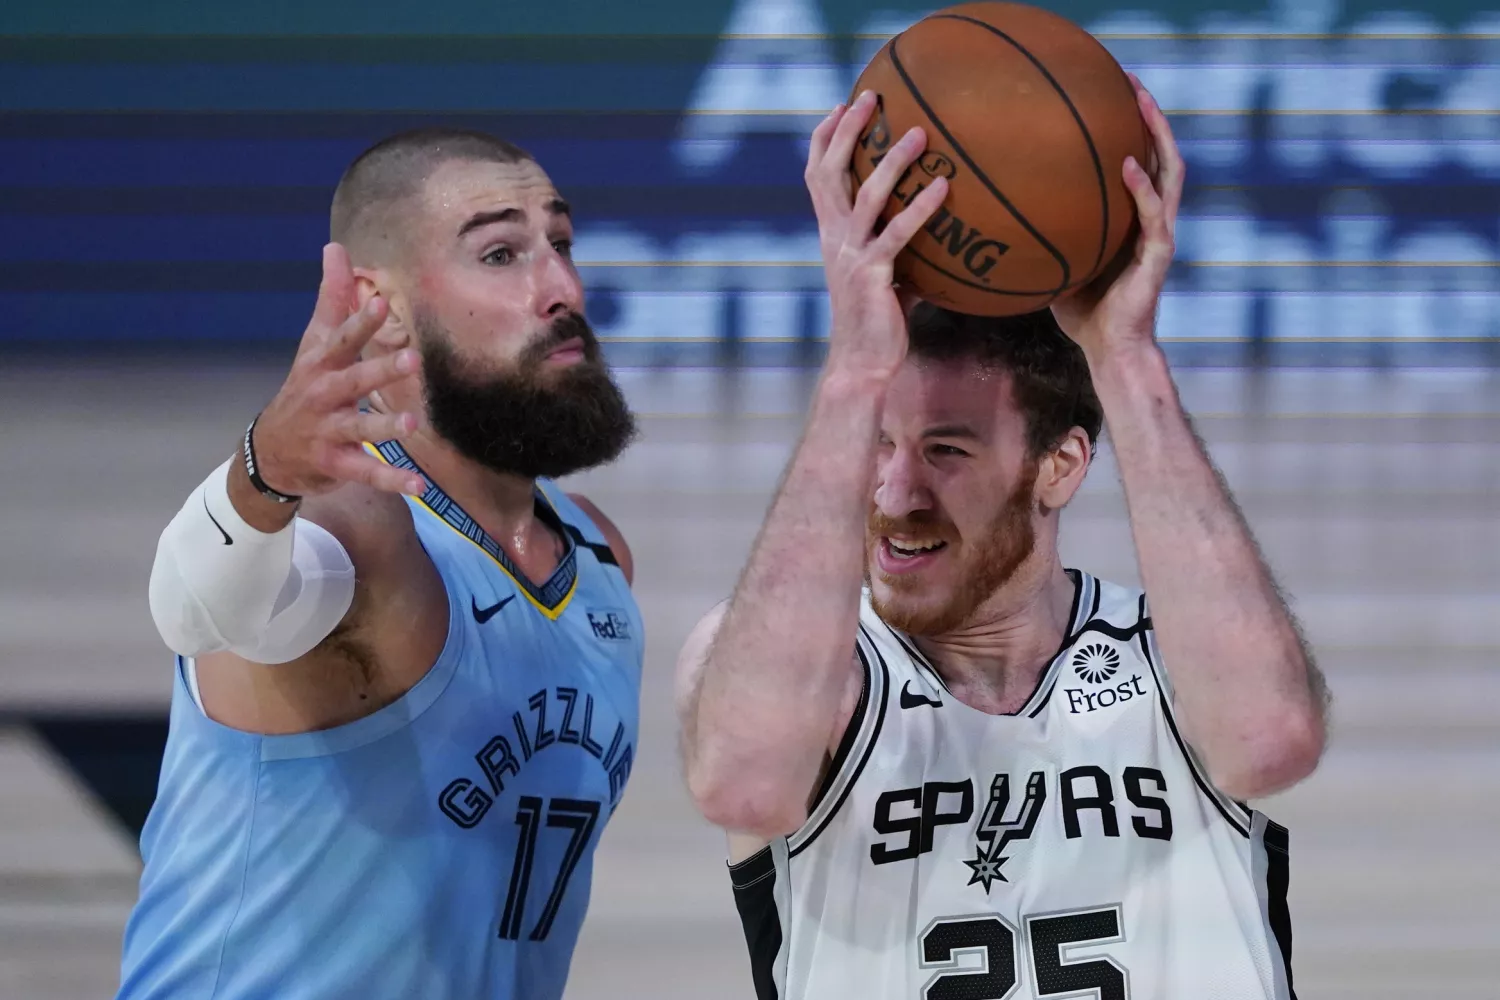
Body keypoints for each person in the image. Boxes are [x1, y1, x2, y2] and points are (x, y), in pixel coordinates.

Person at [675, 80, 1329, 1000]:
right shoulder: (816, 672)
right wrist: (853, 371)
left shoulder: (1170, 661)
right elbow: (743, 781)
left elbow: (1270, 742)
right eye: (879, 444)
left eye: (947, 451)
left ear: (1060, 467)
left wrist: (1126, 357)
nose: (896, 492)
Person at [120, 128, 643, 1000]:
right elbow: (202, 612)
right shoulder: (355, 525)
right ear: (380, 306)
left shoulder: (596, 557)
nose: (561, 287)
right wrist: (261, 478)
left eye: (560, 242)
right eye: (502, 253)